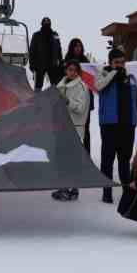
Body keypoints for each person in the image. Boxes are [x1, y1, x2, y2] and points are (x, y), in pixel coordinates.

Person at [95, 49, 137, 203]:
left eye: (122, 62)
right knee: (107, 160)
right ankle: (107, 192)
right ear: (110, 62)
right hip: (109, 125)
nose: (120, 65)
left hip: (127, 125)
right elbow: (98, 87)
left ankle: (126, 191)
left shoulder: (131, 78)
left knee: (124, 160)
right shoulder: (103, 74)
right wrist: (113, 74)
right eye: (116, 62)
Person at [53, 57, 92, 201]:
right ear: (66, 70)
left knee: (71, 160)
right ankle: (64, 187)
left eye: (75, 70)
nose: (72, 73)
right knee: (62, 160)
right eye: (70, 69)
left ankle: (73, 189)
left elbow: (81, 109)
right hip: (61, 126)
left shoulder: (82, 87)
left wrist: (67, 101)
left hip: (74, 128)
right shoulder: (60, 85)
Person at [28, 17, 63, 90]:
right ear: (42, 24)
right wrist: (32, 64)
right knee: (38, 85)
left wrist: (61, 60)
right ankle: (37, 99)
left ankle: (55, 98)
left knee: (55, 84)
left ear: (50, 24)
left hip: (52, 64)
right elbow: (32, 50)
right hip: (40, 64)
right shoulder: (36, 35)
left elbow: (59, 48)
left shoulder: (55, 34)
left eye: (48, 22)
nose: (46, 23)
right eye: (45, 22)